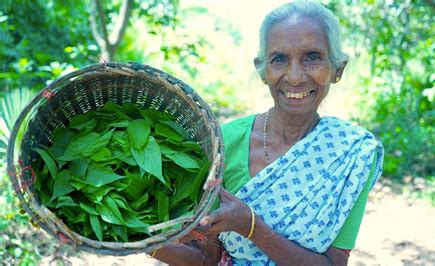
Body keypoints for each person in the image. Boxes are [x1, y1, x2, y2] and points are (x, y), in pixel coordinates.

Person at [148, 1, 383, 265]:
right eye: (279, 59)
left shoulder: (352, 153)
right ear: (263, 70)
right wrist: (142, 241)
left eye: (312, 57)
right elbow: (208, 258)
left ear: (337, 69)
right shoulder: (224, 142)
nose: (295, 77)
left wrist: (251, 226)